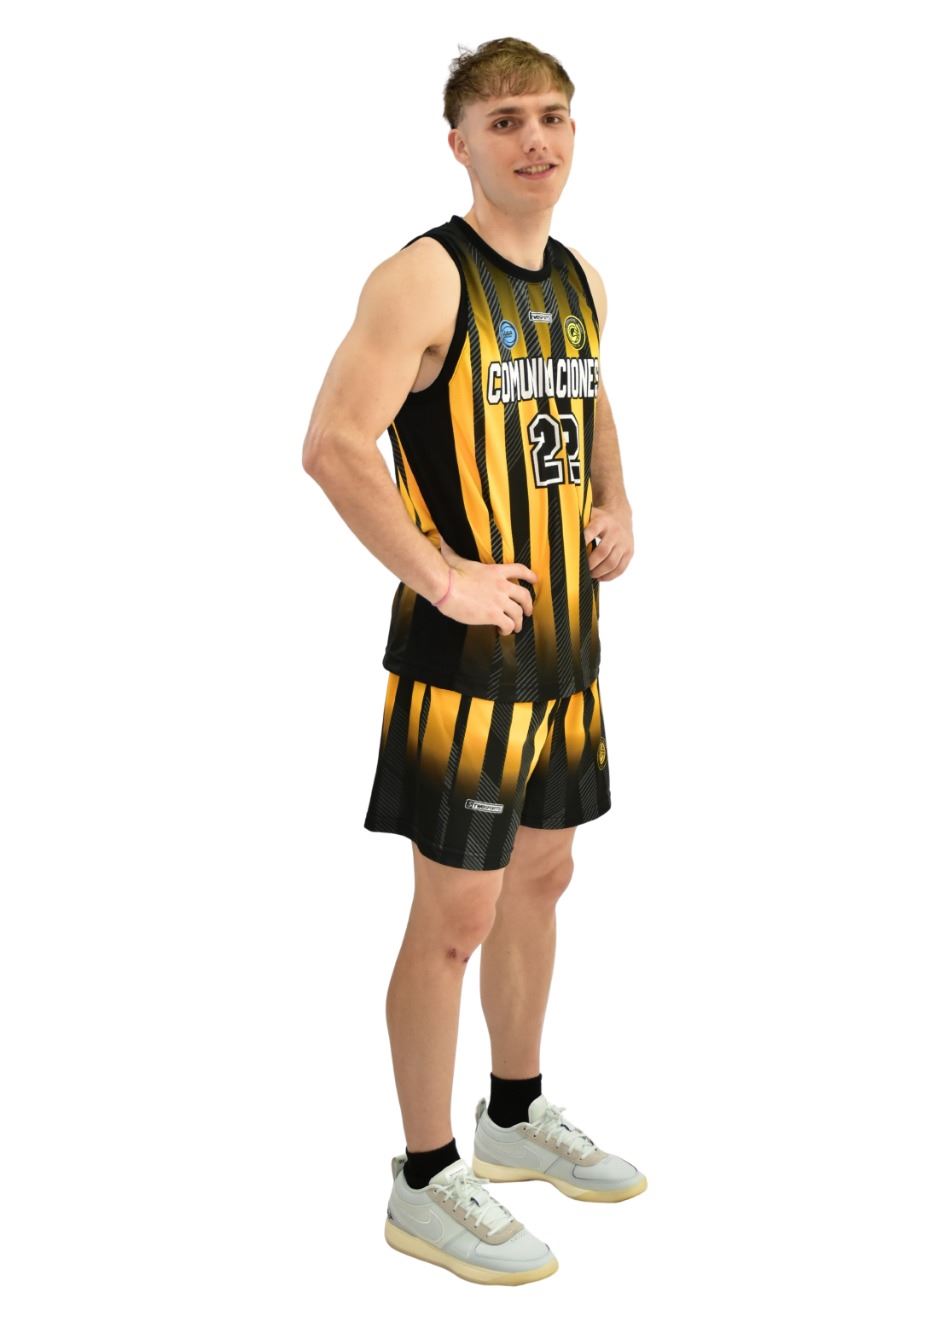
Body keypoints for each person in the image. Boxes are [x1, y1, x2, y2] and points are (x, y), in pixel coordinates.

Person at [302, 37, 642, 1285]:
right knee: (454, 915)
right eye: (505, 121)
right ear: (459, 143)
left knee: (544, 879)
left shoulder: (579, 277)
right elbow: (333, 444)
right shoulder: (423, 279)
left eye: (551, 115)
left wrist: (616, 503)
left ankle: (513, 1112)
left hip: (564, 651)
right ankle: (427, 1175)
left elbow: (588, 401)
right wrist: (441, 575)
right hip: (463, 667)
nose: (534, 140)